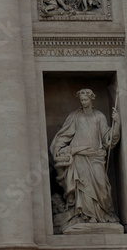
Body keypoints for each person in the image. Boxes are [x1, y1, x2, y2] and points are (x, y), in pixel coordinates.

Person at [50, 88, 120, 227]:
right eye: (81, 100)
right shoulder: (75, 116)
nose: (83, 102)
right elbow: (65, 135)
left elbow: (107, 139)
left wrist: (116, 123)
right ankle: (86, 216)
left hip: (96, 156)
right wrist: (58, 147)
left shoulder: (99, 116)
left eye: (85, 99)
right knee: (83, 187)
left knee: (101, 185)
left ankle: (103, 213)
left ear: (91, 99)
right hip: (79, 156)